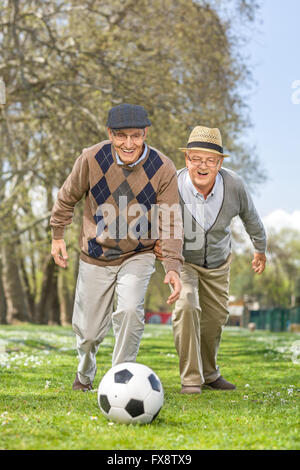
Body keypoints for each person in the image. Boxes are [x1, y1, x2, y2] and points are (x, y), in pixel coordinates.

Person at [50, 103, 183, 391]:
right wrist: (58, 234)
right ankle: (85, 374)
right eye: (121, 136)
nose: (129, 143)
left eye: (136, 136)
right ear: (110, 134)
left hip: (138, 253)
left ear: (146, 133)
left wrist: (172, 266)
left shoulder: (163, 168)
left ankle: (118, 381)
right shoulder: (91, 158)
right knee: (87, 333)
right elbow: (67, 196)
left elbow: (172, 220)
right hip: (95, 254)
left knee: (130, 313)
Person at [155, 126, 267, 394]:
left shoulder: (234, 185)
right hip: (184, 262)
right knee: (187, 306)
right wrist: (155, 242)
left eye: (210, 160)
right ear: (187, 160)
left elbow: (251, 218)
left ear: (219, 163)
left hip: (218, 263)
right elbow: (153, 215)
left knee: (215, 319)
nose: (202, 166)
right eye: (196, 158)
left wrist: (260, 249)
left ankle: (210, 373)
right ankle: (191, 379)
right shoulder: (173, 183)